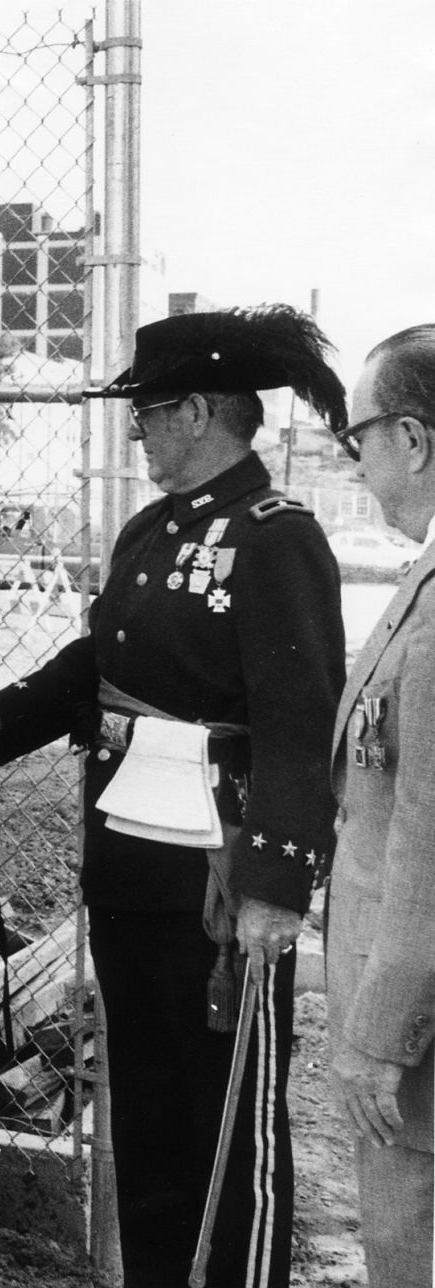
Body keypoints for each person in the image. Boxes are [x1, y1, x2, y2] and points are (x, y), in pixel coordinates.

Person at [0, 306, 347, 1288]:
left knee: (224, 1122)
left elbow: (296, 715)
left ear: (194, 411)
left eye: (144, 415)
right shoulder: (151, 529)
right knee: (143, 1110)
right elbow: (95, 657)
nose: (134, 433)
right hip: (129, 867)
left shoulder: (274, 538)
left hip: (216, 884)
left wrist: (276, 887)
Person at [326, 324, 435, 1288]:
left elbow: (426, 845)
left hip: (416, 1050)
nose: (353, 464)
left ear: (411, 438)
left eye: (355, 437)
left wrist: (375, 1038)